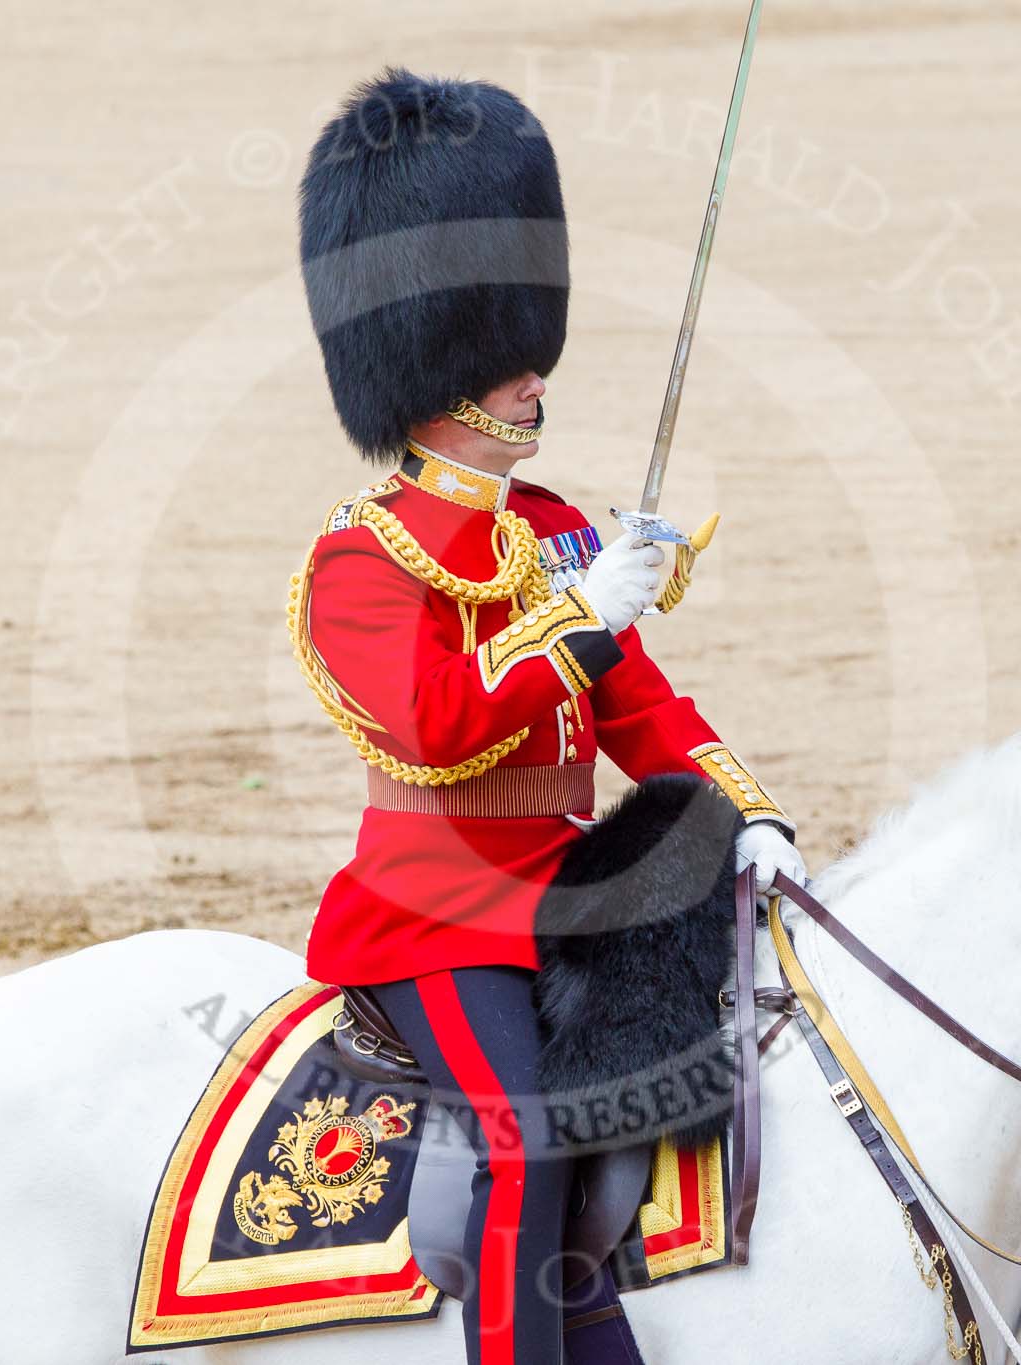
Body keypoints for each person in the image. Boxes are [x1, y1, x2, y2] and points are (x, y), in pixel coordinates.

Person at [290, 68, 803, 1365]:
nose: (534, 377)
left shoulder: (557, 528)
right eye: (506, 359)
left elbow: (641, 710)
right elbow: (439, 727)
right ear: (434, 375)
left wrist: (748, 813)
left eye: (530, 352)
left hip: (569, 883)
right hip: (437, 905)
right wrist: (583, 616)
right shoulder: (359, 561)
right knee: (528, 1135)